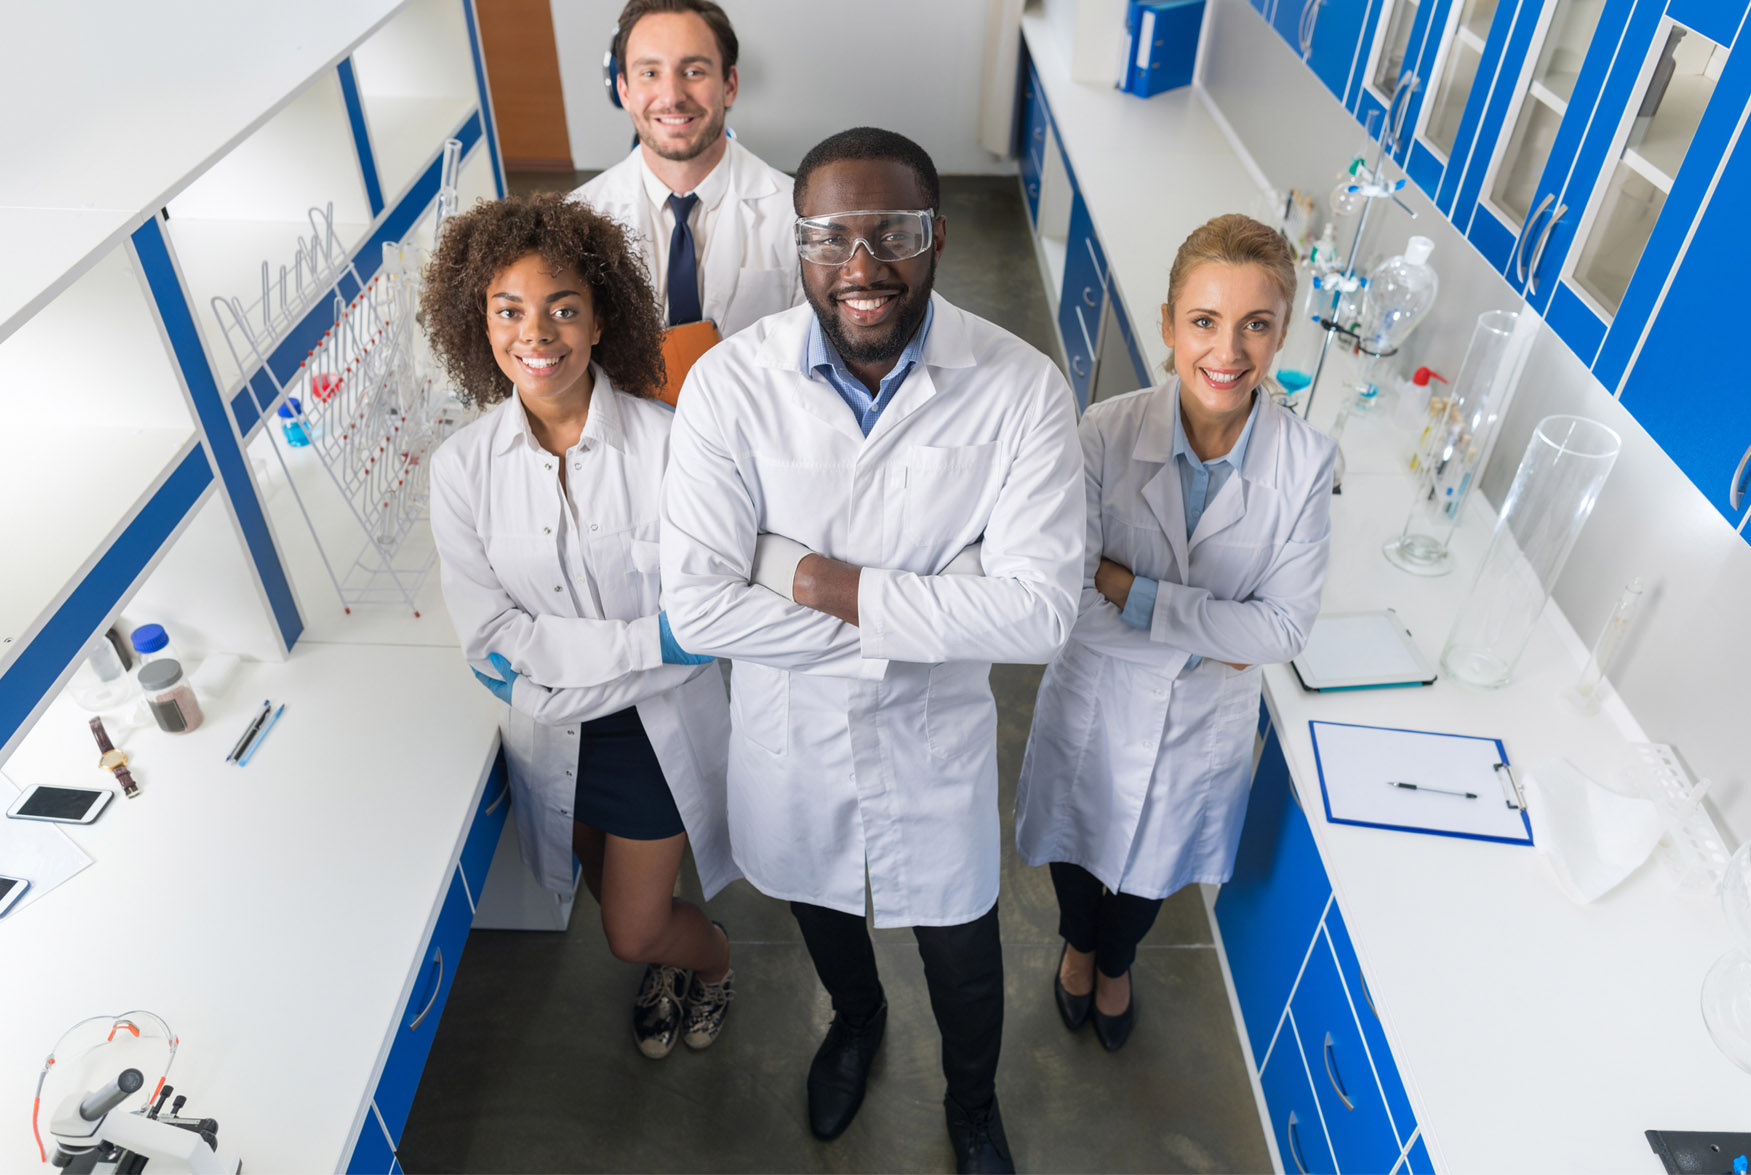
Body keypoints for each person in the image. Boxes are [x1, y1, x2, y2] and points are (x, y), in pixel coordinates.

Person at [659, 127, 1084, 1174]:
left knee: (963, 944)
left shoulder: (1019, 387)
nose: (861, 265)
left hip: (931, 747)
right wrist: (932, 608)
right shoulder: (728, 385)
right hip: (789, 738)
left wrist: (813, 577)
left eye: (892, 231)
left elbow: (1037, 617)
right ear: (797, 246)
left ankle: (973, 1099)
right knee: (818, 900)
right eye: (829, 235)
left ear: (935, 236)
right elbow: (699, 609)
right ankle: (855, 1020)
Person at [426, 192, 738, 1062]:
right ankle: (675, 960)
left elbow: (701, 622)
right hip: (556, 735)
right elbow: (490, 635)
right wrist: (647, 643)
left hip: (650, 733)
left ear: (601, 319)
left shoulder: (675, 447)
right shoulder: (460, 470)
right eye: (509, 311)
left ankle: (710, 962)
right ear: (478, 324)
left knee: (633, 931)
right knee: (609, 896)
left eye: (563, 308)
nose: (538, 333)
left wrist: (548, 664)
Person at [1014, 213, 1338, 1051]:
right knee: (1078, 849)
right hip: (1097, 699)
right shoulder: (1101, 434)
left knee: (1152, 874)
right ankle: (1078, 950)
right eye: (1203, 321)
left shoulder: (1305, 465)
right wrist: (1212, 636)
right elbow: (1070, 599)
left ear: (1279, 334)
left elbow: (1282, 629)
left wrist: (1131, 589)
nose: (1226, 351)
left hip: (1198, 730)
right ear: (1167, 324)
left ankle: (1115, 963)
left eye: (1254, 325)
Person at [574, 0, 801, 340]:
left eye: (693, 71)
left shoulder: (796, 213)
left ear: (730, 85)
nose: (672, 96)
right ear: (624, 90)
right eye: (650, 73)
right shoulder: (578, 218)